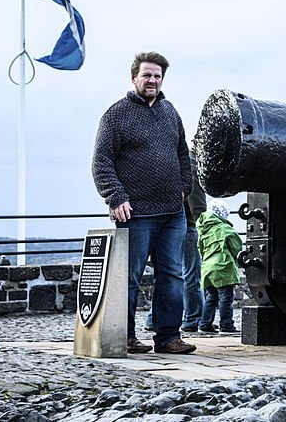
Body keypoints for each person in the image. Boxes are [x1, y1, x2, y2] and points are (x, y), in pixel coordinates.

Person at [92, 51, 197, 354]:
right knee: (130, 277)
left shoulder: (170, 112)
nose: (152, 80)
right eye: (147, 75)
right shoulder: (116, 114)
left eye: (157, 76)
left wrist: (184, 188)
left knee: (173, 276)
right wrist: (115, 196)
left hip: (172, 213)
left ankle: (168, 338)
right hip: (134, 212)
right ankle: (124, 336)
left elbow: (182, 155)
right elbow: (101, 160)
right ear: (134, 77)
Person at [144, 143, 208, 334]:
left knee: (166, 275)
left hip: (162, 223)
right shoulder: (190, 163)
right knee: (190, 276)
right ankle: (193, 318)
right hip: (186, 225)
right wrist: (201, 222)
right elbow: (197, 202)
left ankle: (152, 319)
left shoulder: (165, 159)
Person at [197, 201, 243, 334]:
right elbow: (237, 248)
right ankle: (226, 326)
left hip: (207, 268)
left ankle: (204, 325)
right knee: (226, 298)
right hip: (223, 268)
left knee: (211, 297)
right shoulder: (225, 228)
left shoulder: (202, 228)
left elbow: (200, 249)